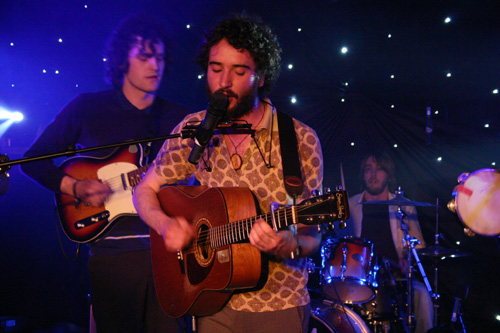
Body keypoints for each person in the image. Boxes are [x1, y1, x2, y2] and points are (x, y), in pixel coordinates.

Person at [133, 14, 323, 332]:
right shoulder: (194, 129)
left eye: (239, 71)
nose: (224, 82)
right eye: (216, 69)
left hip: (277, 305)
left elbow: (313, 236)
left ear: (260, 76)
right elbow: (144, 190)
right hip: (210, 300)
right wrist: (165, 225)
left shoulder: (299, 138)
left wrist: (283, 244)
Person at [21, 14, 189, 332]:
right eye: (144, 56)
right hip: (112, 256)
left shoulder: (180, 118)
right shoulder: (87, 108)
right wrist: (75, 186)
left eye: (160, 57)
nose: (155, 65)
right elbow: (34, 160)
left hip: (168, 252)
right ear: (121, 60)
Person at [341, 151, 434, 333]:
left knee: (423, 295)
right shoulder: (351, 205)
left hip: (396, 278)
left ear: (388, 174)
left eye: (379, 169)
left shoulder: (404, 205)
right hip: (361, 280)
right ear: (363, 174)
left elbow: (419, 245)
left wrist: (407, 258)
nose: (373, 175)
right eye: (368, 169)